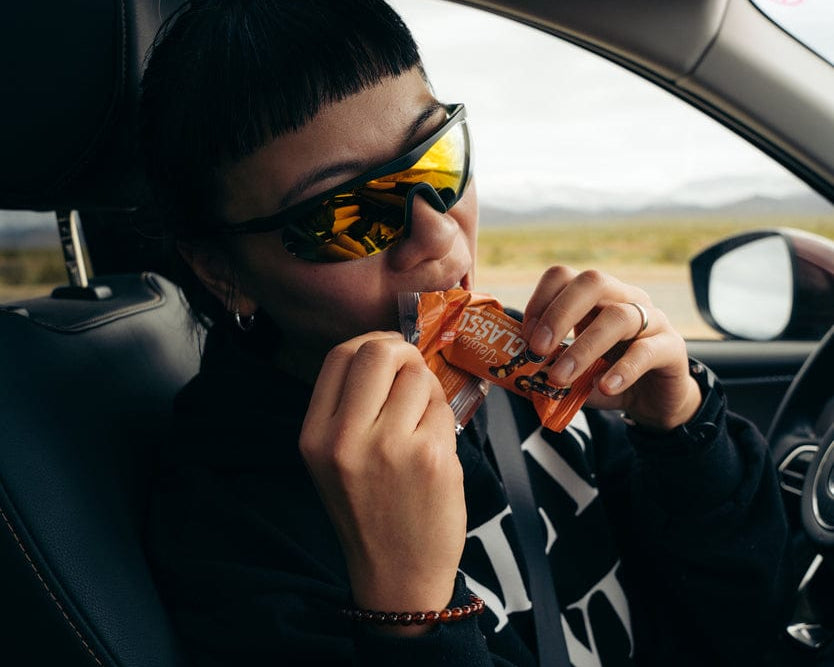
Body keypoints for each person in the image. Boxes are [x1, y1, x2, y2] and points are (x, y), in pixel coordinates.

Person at [139, 1, 793, 665]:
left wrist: (682, 432)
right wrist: (407, 612)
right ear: (223, 272)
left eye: (438, 158)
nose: (440, 235)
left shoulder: (526, 376)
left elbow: (747, 625)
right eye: (348, 213)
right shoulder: (226, 527)